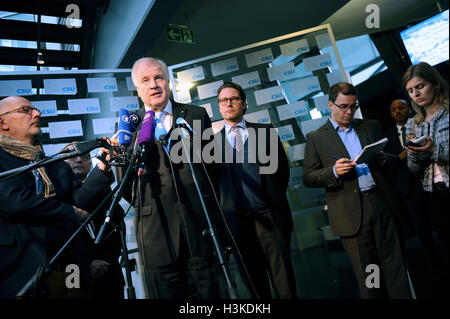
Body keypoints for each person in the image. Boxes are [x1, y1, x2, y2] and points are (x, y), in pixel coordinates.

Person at [115, 57, 225, 299]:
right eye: (145, 80)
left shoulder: (195, 115)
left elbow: (213, 170)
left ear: (168, 82)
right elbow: (126, 186)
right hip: (157, 237)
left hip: (200, 229)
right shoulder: (128, 128)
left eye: (158, 78)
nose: (153, 84)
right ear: (137, 88)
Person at [302, 82, 411, 299]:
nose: (349, 112)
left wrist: (383, 159)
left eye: (353, 106)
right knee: (370, 273)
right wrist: (333, 171)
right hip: (350, 213)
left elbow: (391, 162)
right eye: (343, 107)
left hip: (381, 204)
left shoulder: (370, 127)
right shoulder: (317, 137)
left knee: (395, 266)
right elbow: (308, 177)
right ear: (330, 105)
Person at [214, 82, 297, 299]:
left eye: (234, 99)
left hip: (270, 219)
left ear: (244, 104)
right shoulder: (211, 144)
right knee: (256, 289)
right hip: (239, 226)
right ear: (219, 107)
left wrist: (272, 200)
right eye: (224, 100)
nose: (229, 103)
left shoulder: (265, 132)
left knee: (285, 286)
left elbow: (282, 171)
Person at [0, 96, 88, 298]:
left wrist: (102, 169)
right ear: (3, 122)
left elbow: (80, 200)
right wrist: (69, 212)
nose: (37, 114)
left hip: (67, 265)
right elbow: (14, 200)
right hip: (18, 269)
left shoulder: (54, 164)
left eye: (36, 110)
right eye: (26, 110)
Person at [403, 62, 449, 297]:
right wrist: (417, 155)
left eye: (420, 86)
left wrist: (433, 150)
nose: (416, 94)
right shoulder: (414, 123)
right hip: (433, 195)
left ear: (434, 83)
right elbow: (412, 168)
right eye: (411, 90)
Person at [63, 143, 125, 299]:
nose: (78, 160)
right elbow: (79, 201)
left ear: (90, 162)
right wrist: (85, 265)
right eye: (72, 156)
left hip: (109, 271)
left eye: (84, 157)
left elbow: (115, 225)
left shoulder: (102, 189)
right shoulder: (56, 191)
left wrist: (107, 259)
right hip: (74, 274)